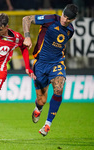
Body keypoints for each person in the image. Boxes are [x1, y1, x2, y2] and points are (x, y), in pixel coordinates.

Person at [22, 4, 78, 136]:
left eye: (68, 19)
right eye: (64, 16)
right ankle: (38, 108)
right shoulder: (51, 19)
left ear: (73, 20)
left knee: (58, 88)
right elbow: (26, 19)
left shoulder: (70, 30)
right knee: (41, 100)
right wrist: (27, 36)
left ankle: (47, 124)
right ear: (62, 13)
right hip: (40, 64)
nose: (64, 20)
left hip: (56, 63)